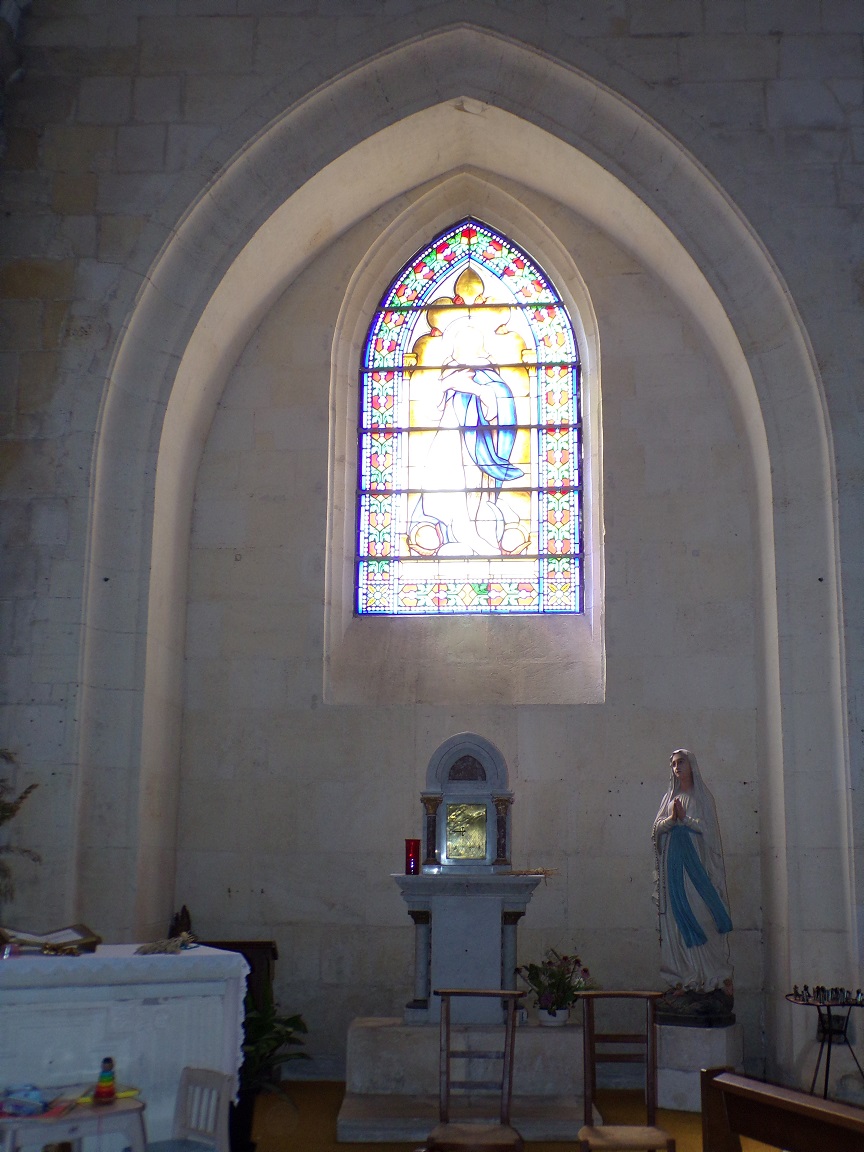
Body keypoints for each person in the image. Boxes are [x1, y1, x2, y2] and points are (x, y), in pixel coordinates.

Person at [652, 749, 733, 1007]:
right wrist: (671, 820)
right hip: (675, 867)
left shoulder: (701, 797)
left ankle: (714, 978)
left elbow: (708, 832)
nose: (677, 767)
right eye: (673, 764)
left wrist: (685, 820)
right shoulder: (669, 797)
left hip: (696, 868)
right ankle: (689, 979)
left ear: (691, 766)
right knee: (678, 921)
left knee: (703, 916)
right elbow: (655, 831)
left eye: (681, 762)